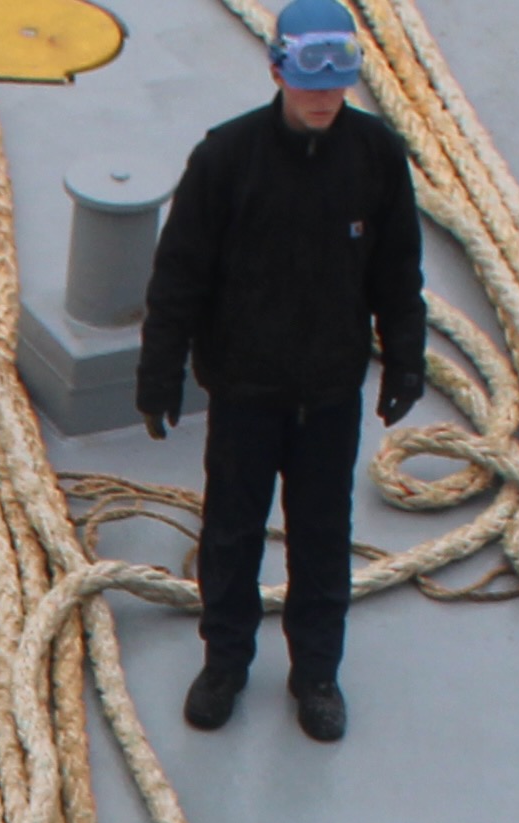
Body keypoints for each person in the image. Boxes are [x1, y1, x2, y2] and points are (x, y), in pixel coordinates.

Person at [136, 0, 427, 747]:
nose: (324, 97)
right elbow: (180, 276)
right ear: (277, 70)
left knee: (322, 536)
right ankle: (226, 663)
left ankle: (316, 675)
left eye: (337, 84)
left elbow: (397, 271)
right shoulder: (225, 160)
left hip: (329, 392)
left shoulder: (376, 157)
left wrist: (404, 357)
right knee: (231, 532)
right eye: (309, 80)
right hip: (245, 391)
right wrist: (160, 372)